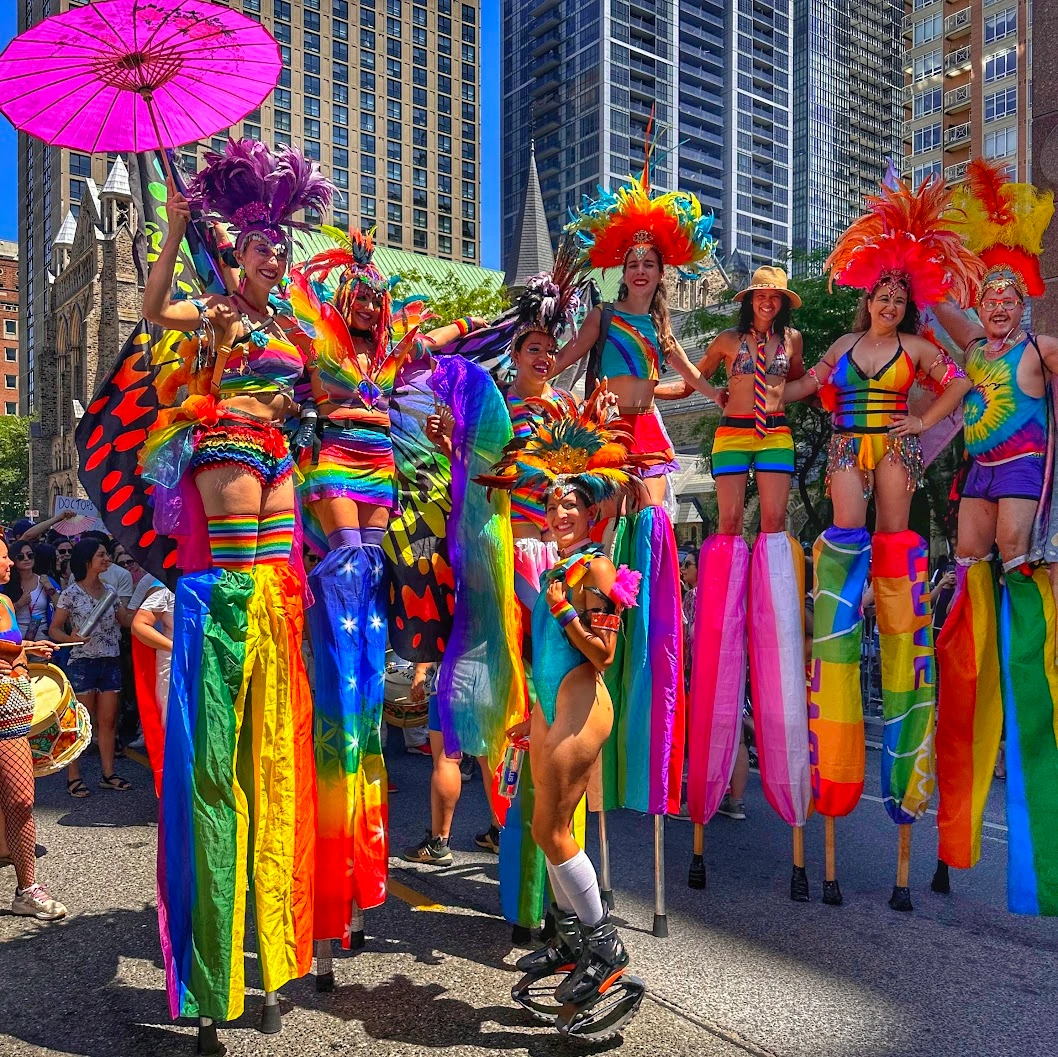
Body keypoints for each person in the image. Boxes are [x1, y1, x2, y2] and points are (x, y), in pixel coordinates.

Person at [136, 138, 331, 1039]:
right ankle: (216, 981)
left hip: (280, 509)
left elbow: (330, 386)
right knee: (217, 766)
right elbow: (148, 311)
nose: (274, 256)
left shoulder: (292, 323)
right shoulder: (213, 308)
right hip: (222, 508)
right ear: (236, 250)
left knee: (278, 749)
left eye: (281, 246)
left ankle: (275, 963)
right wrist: (176, 229)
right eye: (260, 245)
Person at [288, 227, 486, 953]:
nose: (371, 308)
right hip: (333, 460)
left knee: (370, 575)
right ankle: (342, 671)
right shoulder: (319, 337)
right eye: (361, 297)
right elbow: (283, 306)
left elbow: (447, 334)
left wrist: (504, 316)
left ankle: (370, 678)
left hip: (381, 469)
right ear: (345, 298)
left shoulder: (393, 351)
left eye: (379, 300)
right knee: (344, 563)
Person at [785, 175, 977, 909]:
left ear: (906, 304)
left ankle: (891, 610)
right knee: (842, 542)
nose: (888, 305)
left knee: (894, 553)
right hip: (843, 449)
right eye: (882, 296)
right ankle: (844, 613)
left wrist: (922, 426)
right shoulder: (844, 341)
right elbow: (807, 386)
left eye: (899, 298)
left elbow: (958, 381)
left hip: (892, 452)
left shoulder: (920, 348)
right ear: (868, 298)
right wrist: (775, 385)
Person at [548, 154, 719, 823]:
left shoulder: (662, 330)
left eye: (652, 262)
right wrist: (534, 367)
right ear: (624, 270)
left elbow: (691, 383)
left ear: (662, 273)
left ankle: (634, 631)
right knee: (605, 536)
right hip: (606, 434)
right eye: (635, 261)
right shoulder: (608, 316)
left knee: (644, 541)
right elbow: (561, 362)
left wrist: (720, 393)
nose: (642, 269)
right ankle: (596, 632)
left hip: (646, 436)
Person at [490, 392, 645, 1039]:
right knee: (541, 824)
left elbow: (604, 650)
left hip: (585, 711)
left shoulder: (596, 566)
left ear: (591, 511)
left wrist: (561, 610)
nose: (558, 512)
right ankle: (570, 936)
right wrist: (530, 715)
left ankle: (602, 942)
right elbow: (548, 655)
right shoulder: (561, 564)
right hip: (553, 711)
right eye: (552, 504)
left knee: (555, 828)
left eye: (570, 504)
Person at [929, 159, 1058, 914]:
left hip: (1023, 481)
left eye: (1008, 298)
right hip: (976, 480)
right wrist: (919, 255)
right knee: (972, 568)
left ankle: (1030, 680)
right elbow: (940, 304)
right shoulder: (977, 351)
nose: (998, 308)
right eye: (990, 299)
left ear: (1025, 305)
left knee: (1014, 566)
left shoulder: (1040, 353)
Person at [666, 266, 814, 899]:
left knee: (774, 525)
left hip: (774, 434)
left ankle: (773, 593)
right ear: (748, 301)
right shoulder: (729, 341)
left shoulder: (794, 340)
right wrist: (675, 370)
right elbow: (696, 380)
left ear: (780, 303)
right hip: (730, 433)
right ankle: (728, 590)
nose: (765, 303)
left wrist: (803, 387)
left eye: (773, 296)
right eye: (758, 295)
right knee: (728, 525)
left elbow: (803, 382)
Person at [0, 539, 65, 919]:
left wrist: (27, 648)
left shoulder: (6, 603)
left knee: (21, 801)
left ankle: (27, 889)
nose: (10, 562)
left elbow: (11, 647)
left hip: (11, 714)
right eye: (5, 557)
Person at [48, 538, 133, 797]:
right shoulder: (71, 593)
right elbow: (54, 629)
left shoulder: (110, 590)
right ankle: (74, 776)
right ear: (87, 562)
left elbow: (124, 620)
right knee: (81, 723)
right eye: (101, 556)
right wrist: (70, 637)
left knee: (107, 722)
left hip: (109, 660)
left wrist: (151, 604)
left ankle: (108, 774)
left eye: (107, 555)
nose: (107, 559)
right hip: (83, 662)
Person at [2, 542, 59, 640]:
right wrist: (19, 604)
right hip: (17, 636)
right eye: (20, 557)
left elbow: (62, 607)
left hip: (43, 634)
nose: (26, 559)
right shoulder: (6, 583)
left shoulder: (45, 580)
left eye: (30, 555)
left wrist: (50, 588)